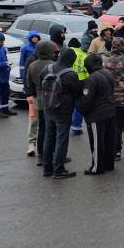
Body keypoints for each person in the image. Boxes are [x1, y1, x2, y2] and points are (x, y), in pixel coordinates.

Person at [40, 48, 83, 179]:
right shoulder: (71, 74)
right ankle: (59, 169)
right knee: (61, 139)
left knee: (48, 138)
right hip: (63, 110)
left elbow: (40, 82)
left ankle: (47, 168)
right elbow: (77, 93)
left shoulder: (47, 69)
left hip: (47, 107)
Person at [77, 53, 116, 175]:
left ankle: (97, 167)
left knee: (97, 142)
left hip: (97, 115)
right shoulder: (107, 73)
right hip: (110, 111)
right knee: (109, 141)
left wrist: (81, 109)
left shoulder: (92, 78)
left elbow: (87, 99)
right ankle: (109, 164)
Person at [25, 40, 57, 163]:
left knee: (41, 127)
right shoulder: (52, 64)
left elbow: (28, 81)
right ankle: (53, 153)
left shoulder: (32, 64)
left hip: (38, 97)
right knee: (52, 128)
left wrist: (32, 94)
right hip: (52, 98)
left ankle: (41, 154)